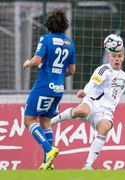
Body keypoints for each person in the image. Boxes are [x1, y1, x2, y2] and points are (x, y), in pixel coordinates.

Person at [50, 34, 125, 170]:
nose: (117, 59)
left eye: (119, 56)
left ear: (123, 58)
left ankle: (88, 165)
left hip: (105, 112)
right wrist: (84, 92)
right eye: (114, 56)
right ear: (109, 57)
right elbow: (92, 83)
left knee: (105, 128)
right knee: (82, 110)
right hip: (92, 102)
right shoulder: (103, 70)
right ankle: (51, 122)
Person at [23, 9, 76, 170]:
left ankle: (49, 150)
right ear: (64, 25)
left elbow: (37, 59)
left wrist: (28, 63)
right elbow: (72, 70)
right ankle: (48, 162)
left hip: (43, 86)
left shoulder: (45, 39)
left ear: (48, 25)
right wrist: (58, 75)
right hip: (58, 89)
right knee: (46, 122)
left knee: (29, 120)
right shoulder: (69, 43)